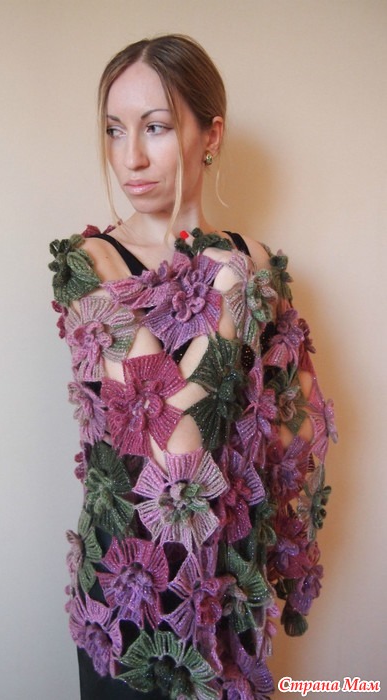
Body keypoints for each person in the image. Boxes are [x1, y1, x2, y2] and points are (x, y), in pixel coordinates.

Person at [49, 34, 336, 700]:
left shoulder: (257, 260)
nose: (130, 156)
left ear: (211, 134)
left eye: (154, 127)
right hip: (131, 595)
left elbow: (295, 430)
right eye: (115, 130)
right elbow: (176, 448)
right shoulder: (89, 264)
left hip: (227, 593)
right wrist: (228, 296)